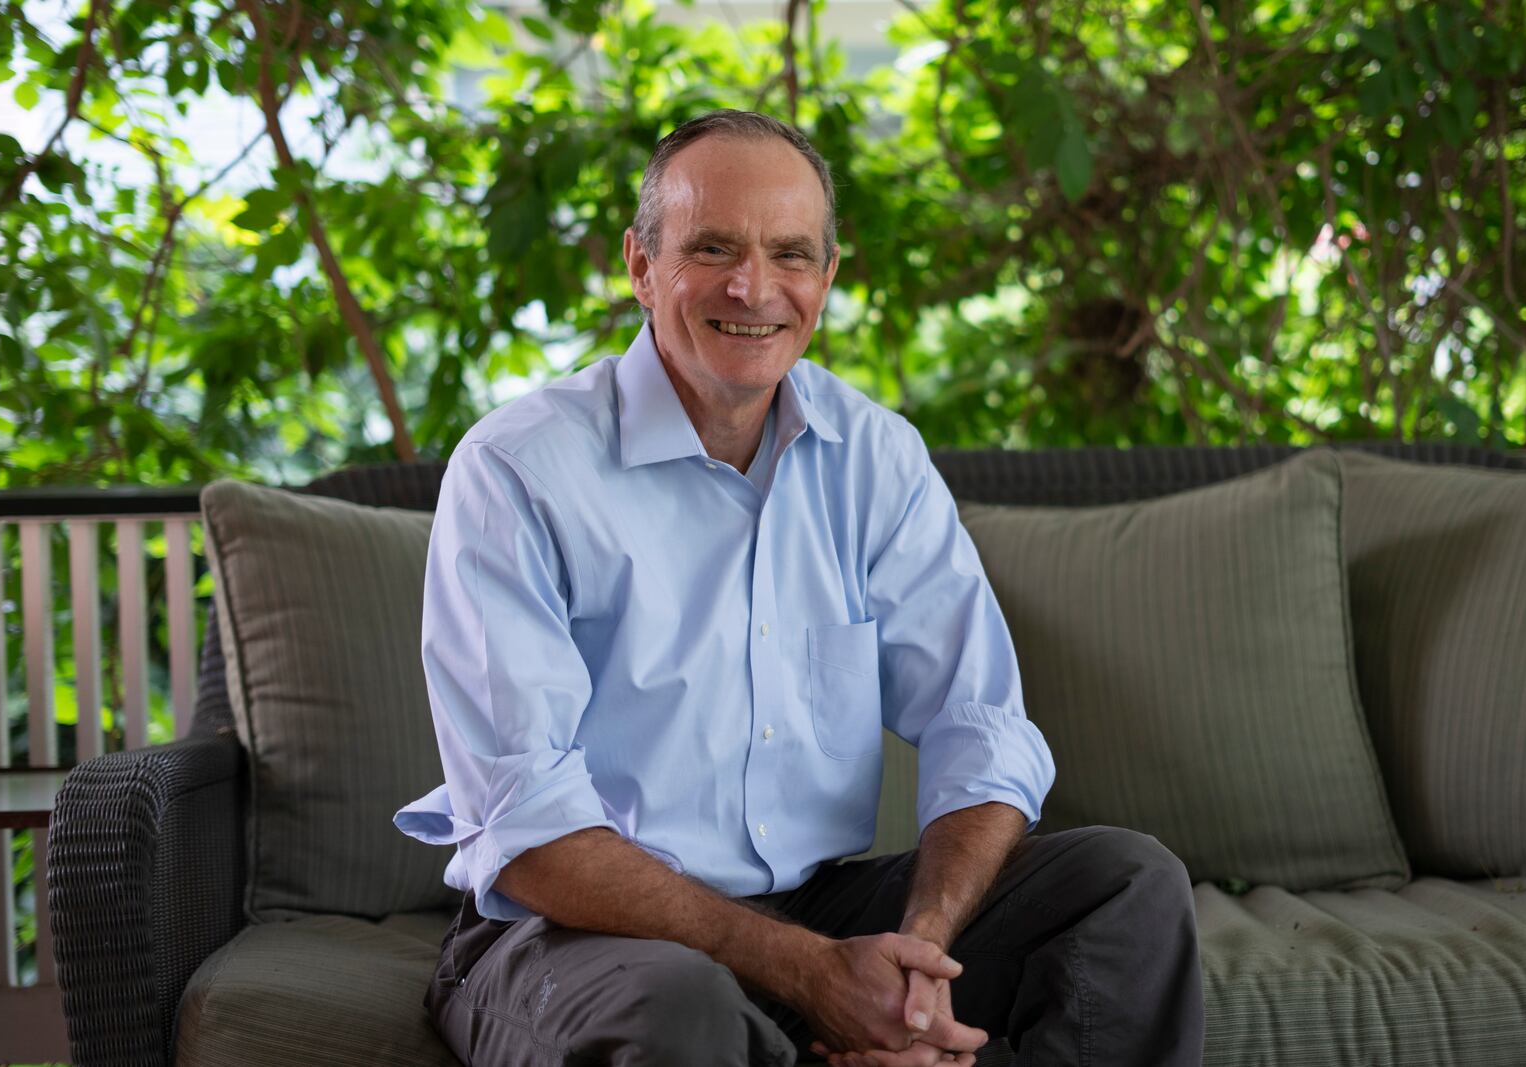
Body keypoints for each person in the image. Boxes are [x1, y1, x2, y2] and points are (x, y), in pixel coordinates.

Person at [395, 109, 1203, 1067]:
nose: (754, 287)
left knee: (1129, 884)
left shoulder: (875, 456)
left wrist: (911, 969)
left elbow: (981, 728)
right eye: (713, 248)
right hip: (576, 935)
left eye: (790, 253)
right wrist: (812, 973)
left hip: (818, 906)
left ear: (826, 276)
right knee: (681, 1010)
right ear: (640, 264)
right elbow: (530, 827)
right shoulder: (519, 469)